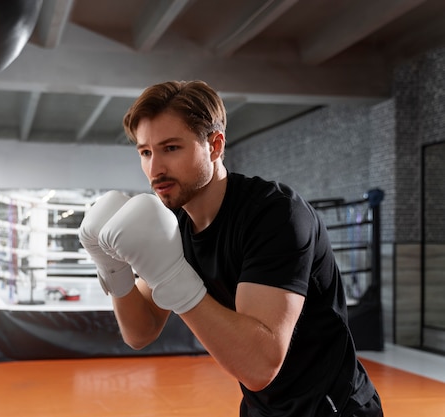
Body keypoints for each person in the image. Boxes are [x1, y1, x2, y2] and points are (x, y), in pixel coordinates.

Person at [79, 80, 383, 416]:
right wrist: (111, 266)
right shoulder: (175, 223)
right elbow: (140, 331)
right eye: (145, 152)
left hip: (331, 407)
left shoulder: (276, 216)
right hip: (260, 409)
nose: (155, 169)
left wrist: (174, 278)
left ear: (214, 145)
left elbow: (259, 366)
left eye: (171, 148)